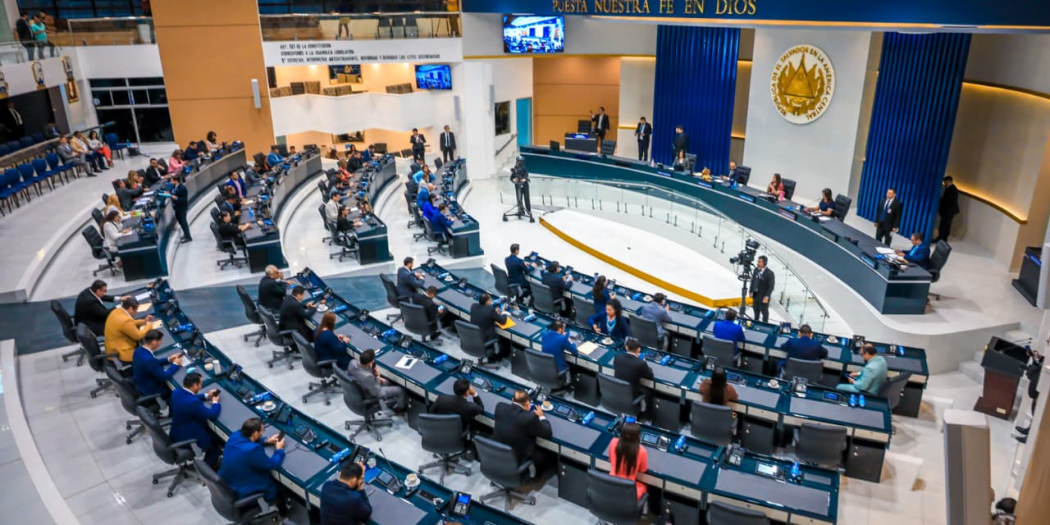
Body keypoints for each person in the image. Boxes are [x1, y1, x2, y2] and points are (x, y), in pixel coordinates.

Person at [219, 418, 286, 507]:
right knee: (281, 485)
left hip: (230, 483)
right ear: (255, 433)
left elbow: (247, 440)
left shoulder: (235, 436)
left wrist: (266, 440)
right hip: (246, 490)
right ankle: (283, 509)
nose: (263, 433)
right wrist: (279, 449)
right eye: (262, 431)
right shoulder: (253, 450)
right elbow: (273, 464)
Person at [493, 390, 554, 478]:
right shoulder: (529, 418)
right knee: (546, 456)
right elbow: (548, 433)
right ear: (527, 403)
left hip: (496, 453)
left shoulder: (500, 406)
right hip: (518, 457)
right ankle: (534, 478)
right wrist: (541, 416)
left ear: (512, 400)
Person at [169, 372, 222, 468]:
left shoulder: (176, 392)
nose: (201, 386)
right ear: (194, 385)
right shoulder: (193, 403)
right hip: (189, 436)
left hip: (176, 432)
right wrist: (215, 403)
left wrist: (207, 395)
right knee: (216, 444)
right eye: (200, 384)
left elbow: (190, 397)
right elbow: (212, 415)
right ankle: (207, 469)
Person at [132, 329, 181, 401]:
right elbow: (164, 376)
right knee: (178, 392)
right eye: (160, 341)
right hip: (150, 389)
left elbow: (153, 363)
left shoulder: (138, 350)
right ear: (154, 342)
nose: (161, 343)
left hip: (141, 383)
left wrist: (168, 359)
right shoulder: (149, 360)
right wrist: (176, 364)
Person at [607, 422, 649, 500]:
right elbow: (643, 470)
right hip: (629, 489)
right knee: (644, 487)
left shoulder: (613, 442)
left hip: (611, 484)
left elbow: (611, 459)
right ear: (638, 436)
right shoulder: (642, 451)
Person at [104, 296, 153, 364]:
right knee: (148, 355)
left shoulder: (117, 311)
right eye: (135, 311)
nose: (136, 313)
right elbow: (138, 336)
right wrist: (149, 326)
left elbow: (130, 323)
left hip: (112, 347)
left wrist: (144, 321)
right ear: (130, 308)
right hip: (121, 352)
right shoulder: (125, 321)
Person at [614, 338, 654, 415]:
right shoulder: (640, 363)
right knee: (649, 391)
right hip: (632, 394)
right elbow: (650, 377)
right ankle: (647, 415)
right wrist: (644, 363)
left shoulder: (617, 357)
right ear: (639, 349)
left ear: (626, 347)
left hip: (617, 390)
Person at [470, 293, 510, 359]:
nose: (491, 300)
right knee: (505, 343)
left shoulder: (473, 306)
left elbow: (484, 313)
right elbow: (502, 321)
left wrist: (494, 313)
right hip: (486, 340)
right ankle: (496, 357)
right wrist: (503, 312)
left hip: (474, 338)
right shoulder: (490, 310)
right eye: (490, 299)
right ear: (487, 301)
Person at [749, 255, 775, 323]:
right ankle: (756, 321)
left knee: (764, 311)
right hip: (755, 294)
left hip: (763, 295)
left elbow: (771, 286)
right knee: (755, 309)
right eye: (758, 261)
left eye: (760, 262)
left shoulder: (770, 273)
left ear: (764, 263)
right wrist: (751, 291)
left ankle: (765, 323)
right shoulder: (756, 270)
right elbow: (753, 281)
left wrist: (767, 296)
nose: (758, 263)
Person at [937, 176, 959, 243]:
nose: (944, 184)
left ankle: (941, 238)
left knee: (944, 225)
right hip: (950, 211)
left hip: (949, 211)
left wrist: (941, 200)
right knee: (946, 225)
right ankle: (943, 238)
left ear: (948, 181)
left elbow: (948, 201)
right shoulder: (952, 188)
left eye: (945, 182)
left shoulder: (952, 190)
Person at [170, 175, 191, 242]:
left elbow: (184, 200)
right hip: (177, 208)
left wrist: (177, 198)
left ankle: (188, 237)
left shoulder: (182, 188)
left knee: (184, 223)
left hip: (182, 208)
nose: (171, 182)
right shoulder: (174, 187)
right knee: (181, 222)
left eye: (172, 180)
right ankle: (185, 234)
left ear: (176, 181)